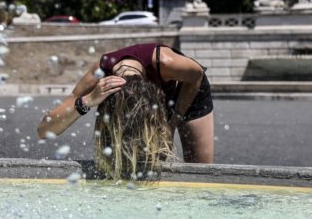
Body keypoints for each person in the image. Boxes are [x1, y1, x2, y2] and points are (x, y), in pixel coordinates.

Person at [37, 43, 214, 178]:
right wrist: (87, 101)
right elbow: (44, 131)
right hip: (142, 103)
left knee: (201, 171)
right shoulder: (99, 74)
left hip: (188, 90)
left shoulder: (165, 62)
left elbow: (196, 75)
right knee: (131, 165)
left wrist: (173, 122)